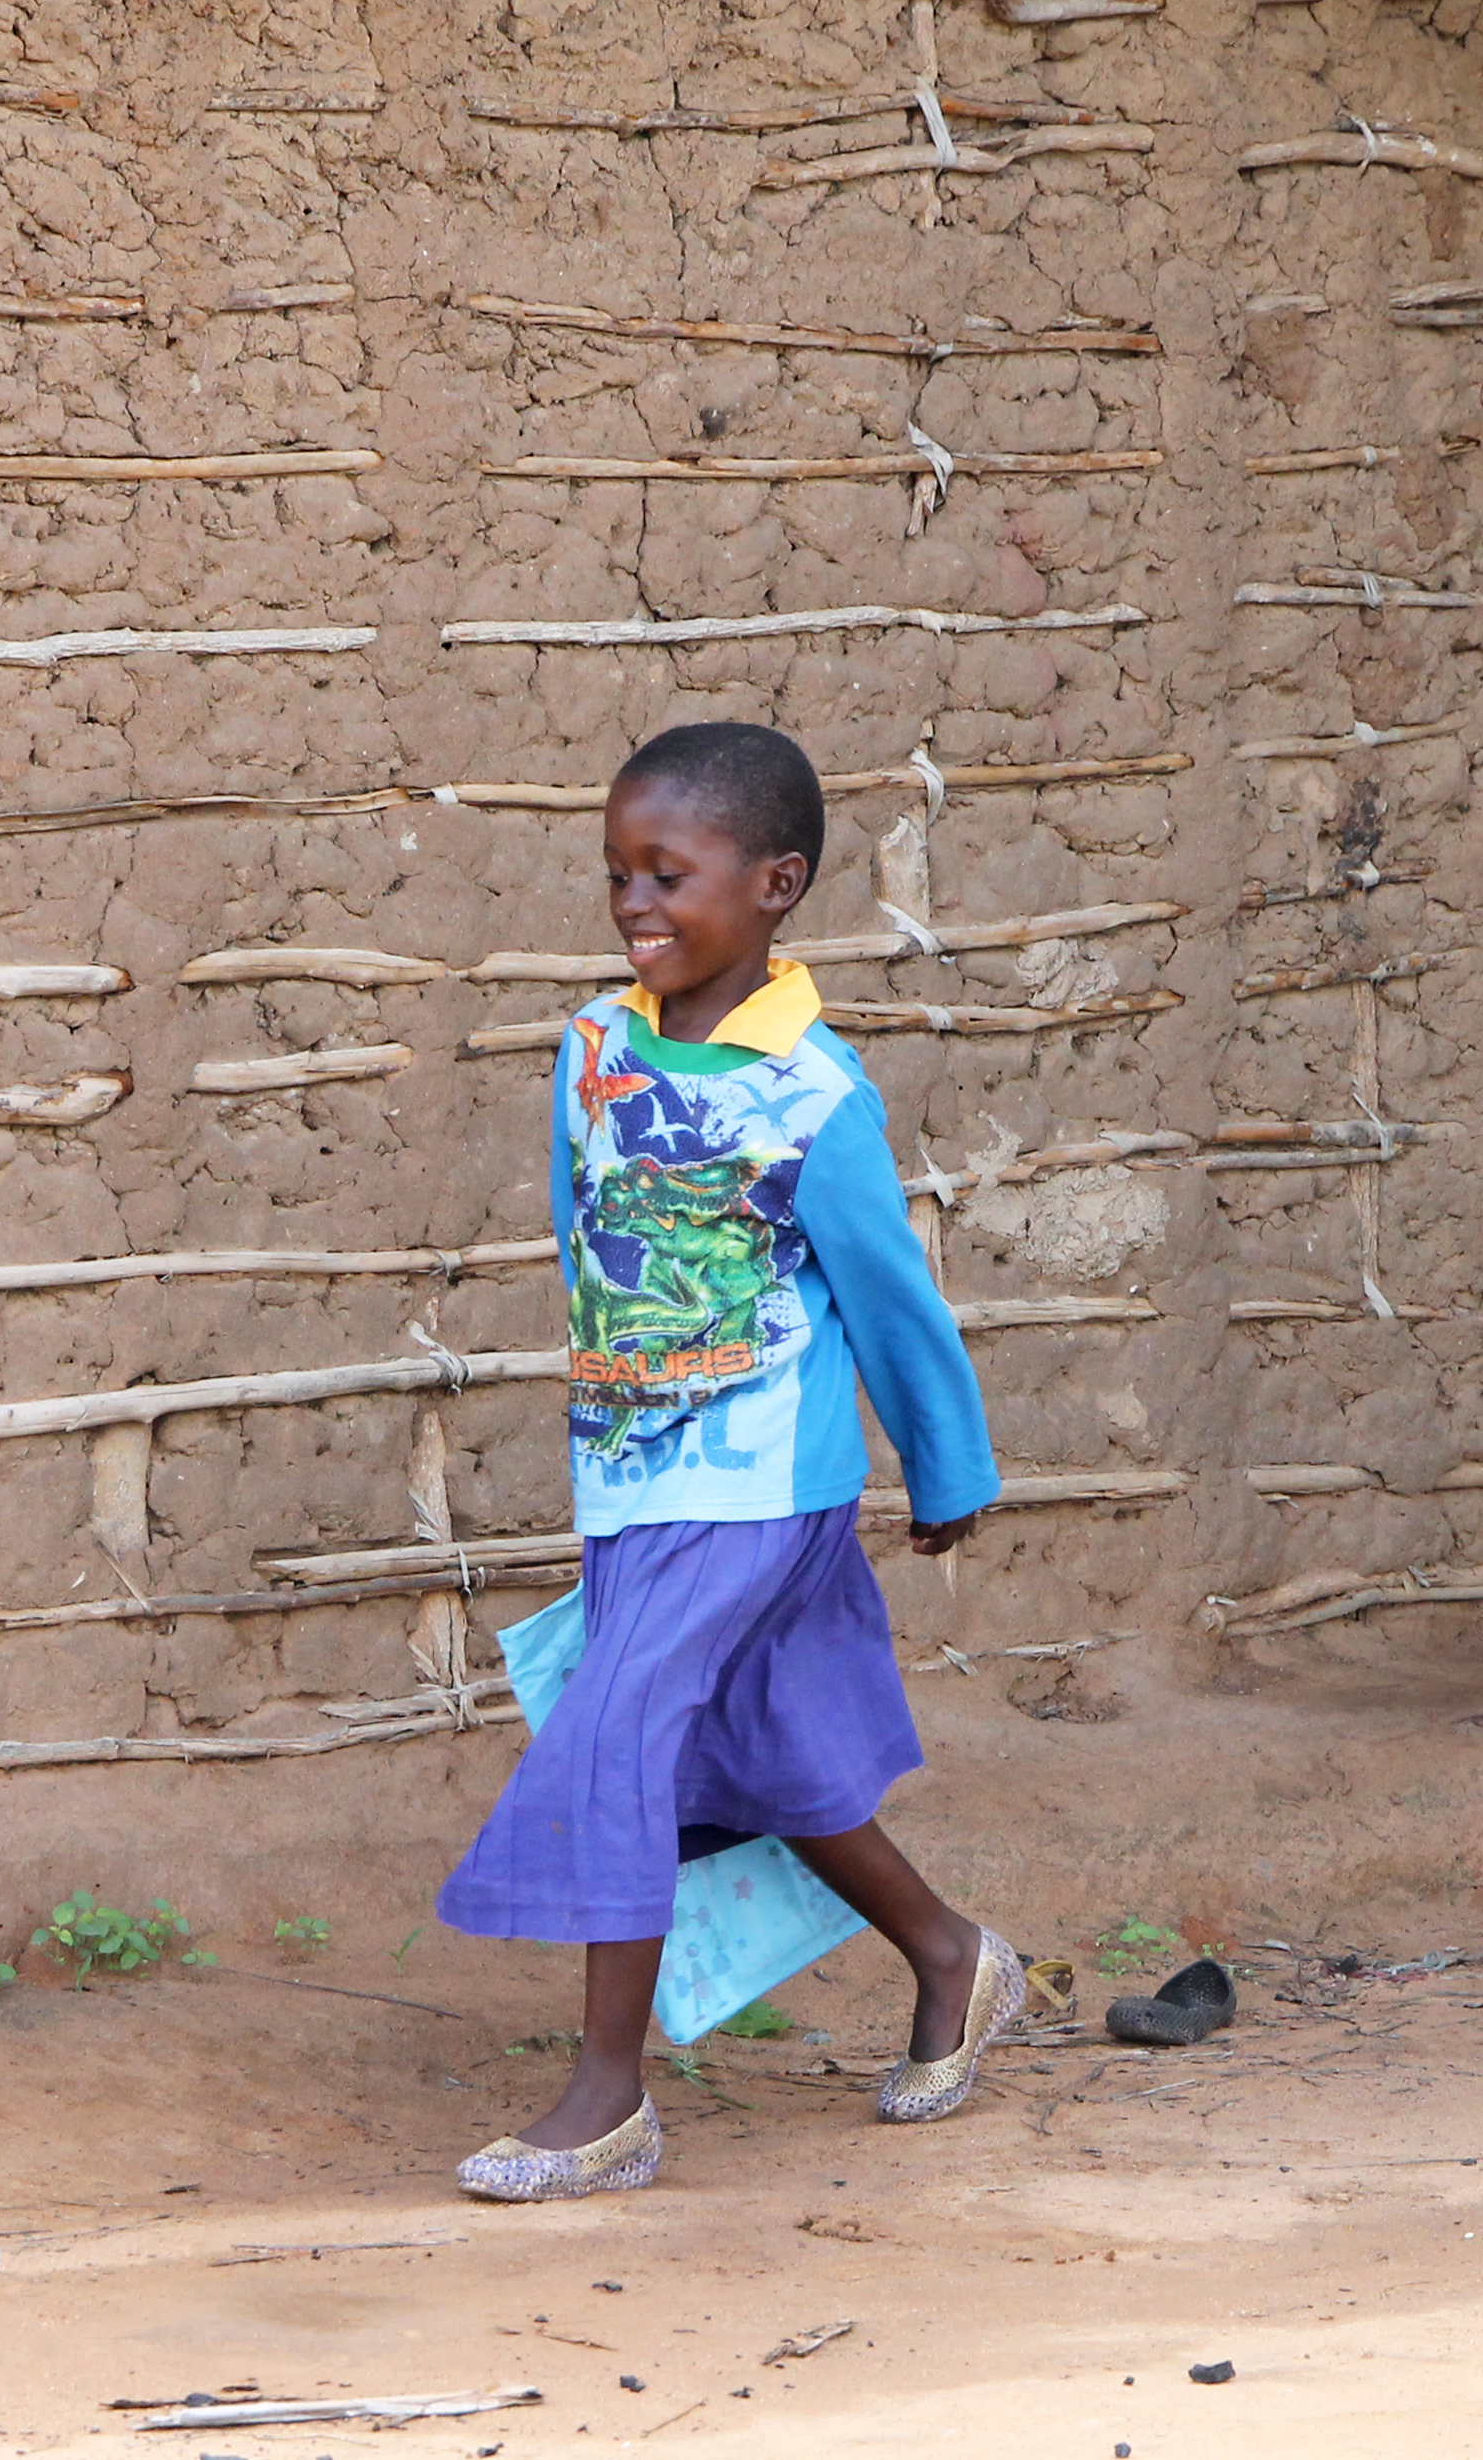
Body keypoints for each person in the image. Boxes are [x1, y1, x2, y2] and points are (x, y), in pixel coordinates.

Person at [436, 719, 1026, 2203]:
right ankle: (952, 1950)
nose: (637, 904)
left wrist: (943, 1470)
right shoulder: (589, 1051)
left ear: (774, 885)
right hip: (634, 1482)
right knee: (761, 1762)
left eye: (669, 875)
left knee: (620, 1738)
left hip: (766, 1487)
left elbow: (889, 1295)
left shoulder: (817, 1095)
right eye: (618, 874)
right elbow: (581, 1250)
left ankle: (608, 2097)